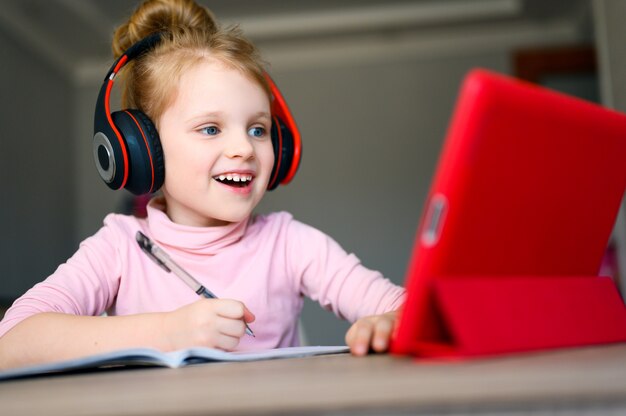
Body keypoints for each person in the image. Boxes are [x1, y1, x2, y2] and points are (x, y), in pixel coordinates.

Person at [0, 0, 404, 369]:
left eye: (258, 129)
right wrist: (164, 332)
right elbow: (11, 343)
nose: (243, 147)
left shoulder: (291, 244)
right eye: (210, 128)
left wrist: (388, 324)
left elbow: (407, 309)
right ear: (142, 150)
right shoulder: (117, 249)